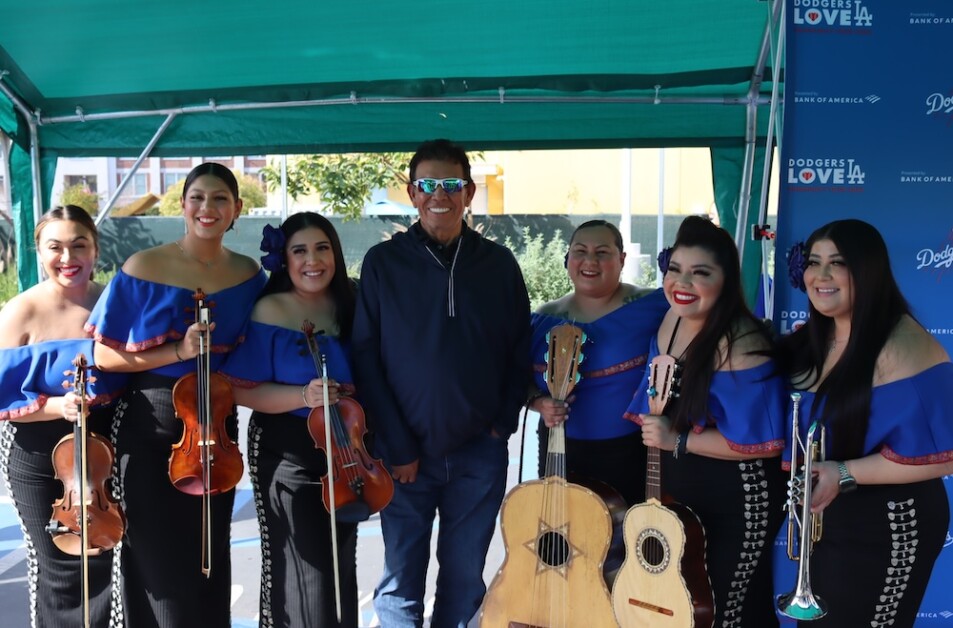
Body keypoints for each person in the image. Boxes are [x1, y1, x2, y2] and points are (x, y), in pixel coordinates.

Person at [352, 138, 532, 627]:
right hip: (403, 457)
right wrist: (396, 442)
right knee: (399, 582)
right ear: (411, 193)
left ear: (469, 192)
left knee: (465, 580)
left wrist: (500, 425)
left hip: (479, 455)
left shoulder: (499, 266)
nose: (440, 195)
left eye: (451, 184)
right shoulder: (383, 264)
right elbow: (365, 357)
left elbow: (521, 351)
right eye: (428, 184)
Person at [84, 162, 266, 627]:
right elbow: (104, 356)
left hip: (217, 426)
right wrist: (177, 349)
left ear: (237, 209)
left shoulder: (248, 274)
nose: (208, 208)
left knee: (209, 552)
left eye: (220, 199)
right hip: (150, 422)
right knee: (157, 559)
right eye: (198, 197)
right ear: (183, 205)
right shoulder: (143, 266)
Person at [776, 219, 953, 627]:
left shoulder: (907, 346)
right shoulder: (811, 342)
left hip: (887, 524)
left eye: (837, 263)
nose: (820, 276)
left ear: (867, 271)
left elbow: (943, 457)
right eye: (814, 262)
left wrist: (843, 472)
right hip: (828, 522)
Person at [627, 215, 786, 627]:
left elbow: (764, 443)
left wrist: (677, 441)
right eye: (675, 270)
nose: (682, 283)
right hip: (686, 500)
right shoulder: (672, 318)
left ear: (726, 281)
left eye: (700, 274)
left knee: (728, 611)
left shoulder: (742, 343)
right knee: (687, 608)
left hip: (738, 501)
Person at [219, 213, 360, 627]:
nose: (312, 260)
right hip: (287, 452)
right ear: (284, 259)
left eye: (322, 248)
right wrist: (303, 395)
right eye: (299, 250)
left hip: (347, 452)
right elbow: (240, 389)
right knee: (305, 574)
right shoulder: (270, 309)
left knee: (340, 570)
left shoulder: (351, 301)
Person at [0, 205, 126, 627]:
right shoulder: (19, 313)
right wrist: (56, 406)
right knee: (57, 565)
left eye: (79, 246)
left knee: (107, 557)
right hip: (36, 452)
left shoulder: (113, 303)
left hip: (105, 452)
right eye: (55, 247)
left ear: (96, 249)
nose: (68, 258)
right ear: (38, 252)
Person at [528, 219, 668, 508]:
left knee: (624, 544)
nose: (590, 260)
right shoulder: (543, 318)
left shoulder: (653, 306)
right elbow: (512, 378)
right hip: (560, 451)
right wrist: (538, 403)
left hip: (630, 453)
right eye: (580, 251)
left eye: (602, 252)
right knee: (562, 542)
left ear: (622, 259)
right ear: (568, 258)